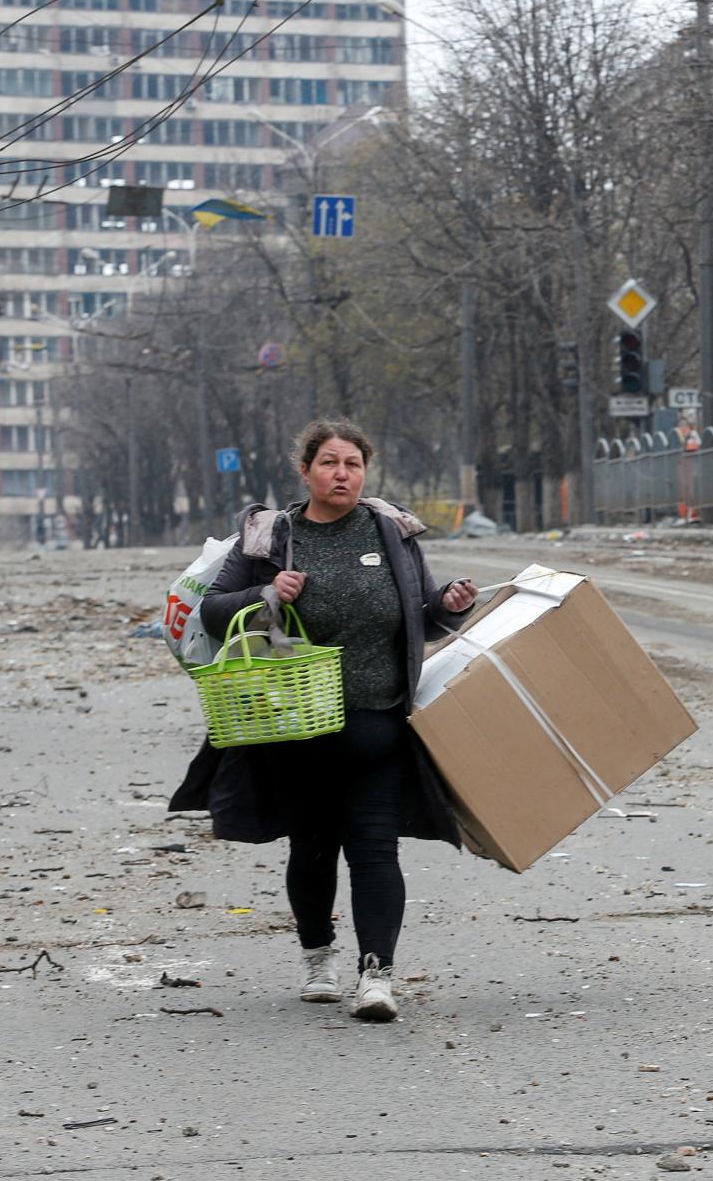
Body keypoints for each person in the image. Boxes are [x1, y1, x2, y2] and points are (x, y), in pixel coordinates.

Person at [168, 418, 478, 1022]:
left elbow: (422, 614)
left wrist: (448, 604)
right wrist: (267, 594)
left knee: (374, 848)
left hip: (378, 723)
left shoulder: (391, 533)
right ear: (306, 470)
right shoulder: (269, 538)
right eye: (331, 463)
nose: (343, 474)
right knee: (312, 845)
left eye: (354, 465)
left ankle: (377, 976)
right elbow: (209, 614)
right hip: (296, 726)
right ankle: (318, 959)